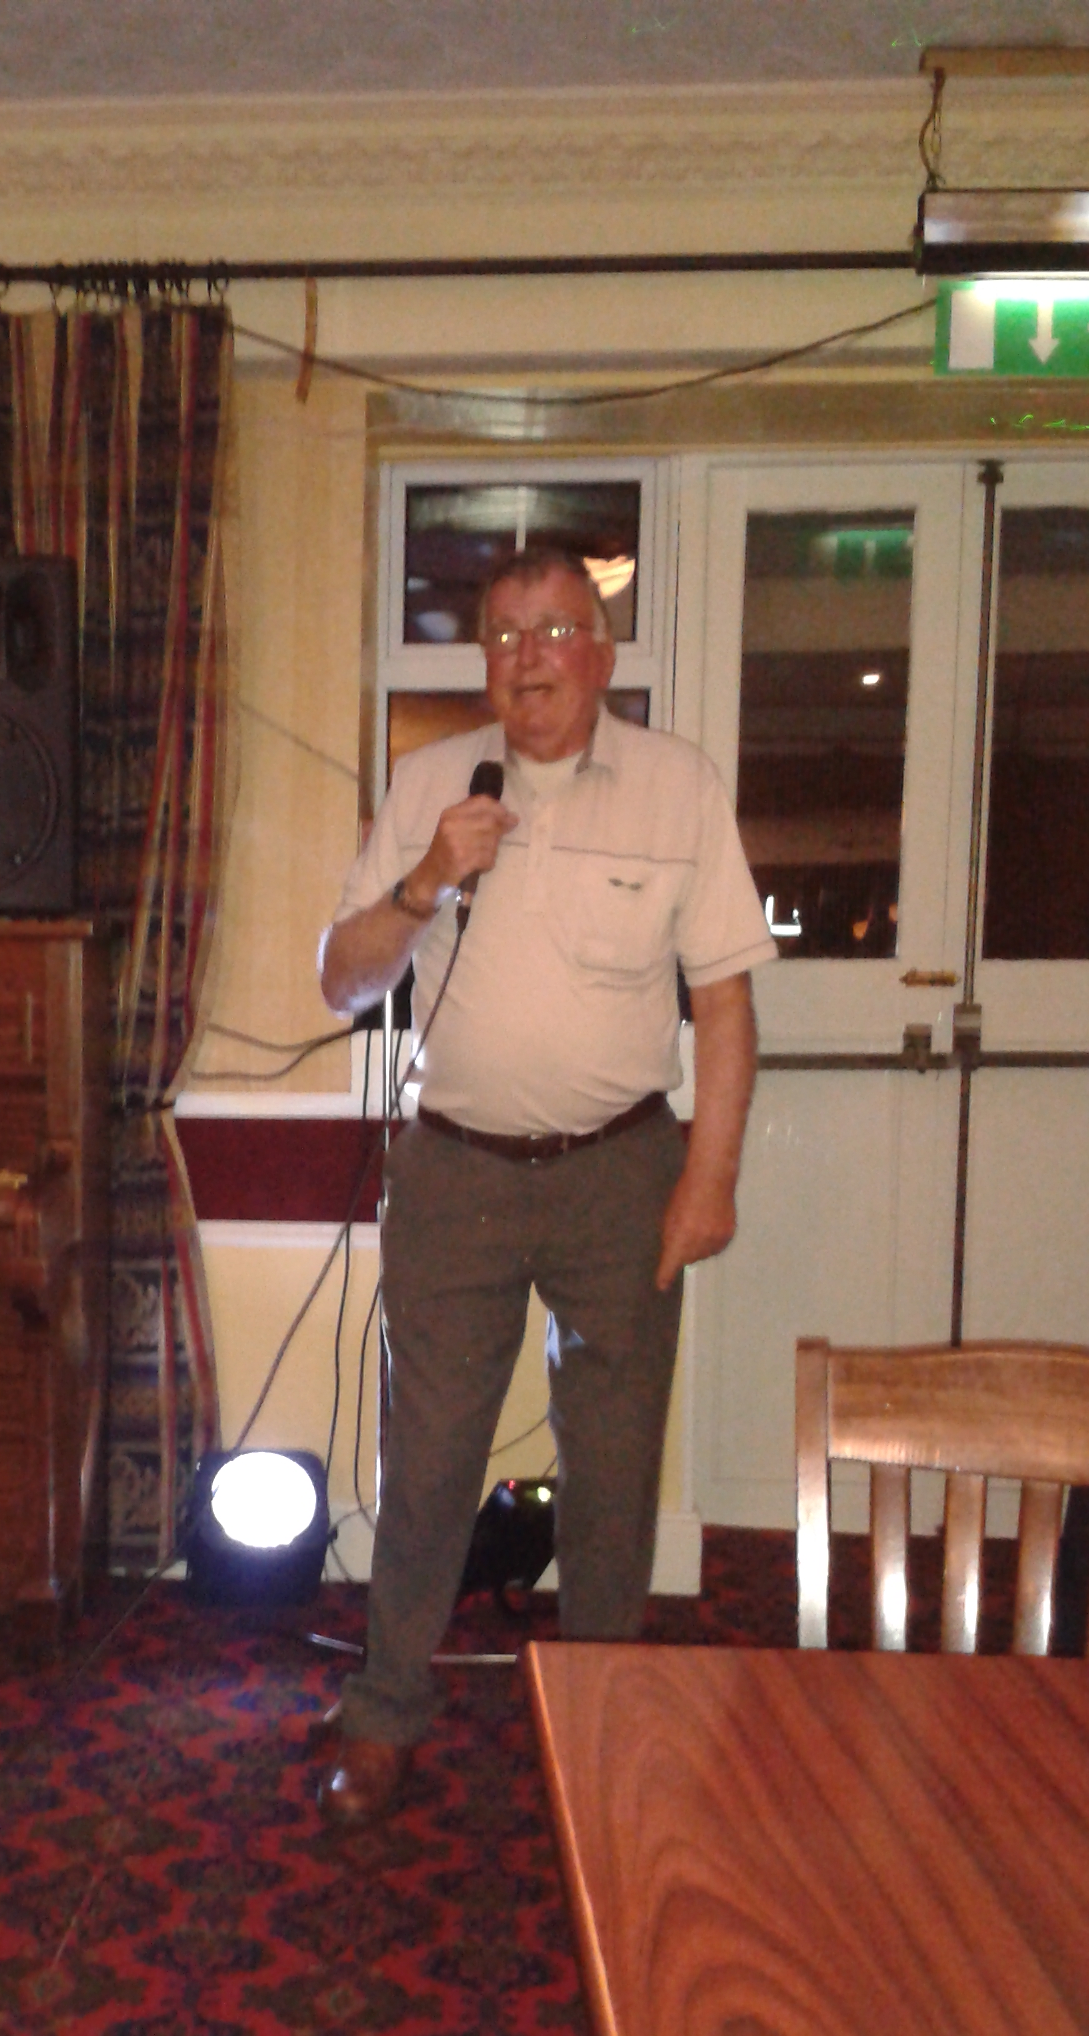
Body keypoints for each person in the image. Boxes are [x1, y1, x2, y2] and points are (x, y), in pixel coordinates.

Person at [316, 545, 774, 1826]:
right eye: (507, 634)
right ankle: (384, 1713)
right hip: (455, 1173)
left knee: (614, 1468)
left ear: (602, 653)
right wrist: (425, 882)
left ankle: (604, 1719)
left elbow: (724, 1006)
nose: (531, 656)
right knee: (427, 1461)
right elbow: (343, 980)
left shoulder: (679, 786)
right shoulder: (429, 784)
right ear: (485, 660)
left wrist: (710, 1179)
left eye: (558, 630)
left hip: (621, 1173)